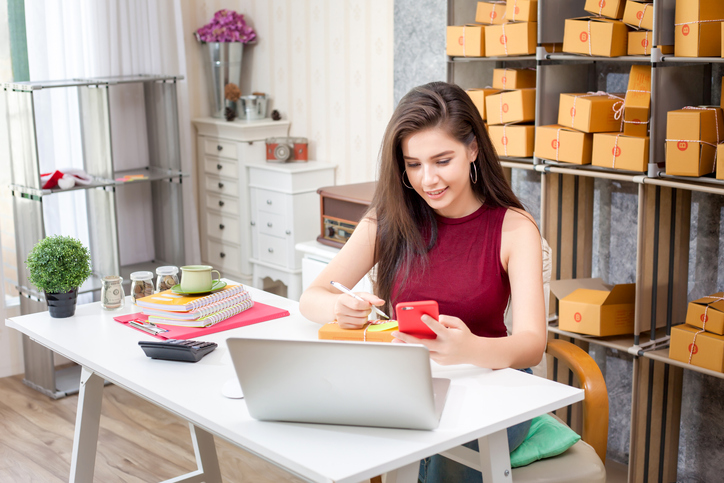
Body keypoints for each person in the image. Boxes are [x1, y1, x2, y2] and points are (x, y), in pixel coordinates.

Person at [298, 81, 546, 482]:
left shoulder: (514, 229)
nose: (427, 179)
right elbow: (312, 298)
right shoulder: (390, 218)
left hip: (489, 388)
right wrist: (338, 308)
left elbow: (533, 345)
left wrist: (469, 348)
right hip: (407, 386)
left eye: (441, 160)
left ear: (472, 149)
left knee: (434, 454)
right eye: (413, 164)